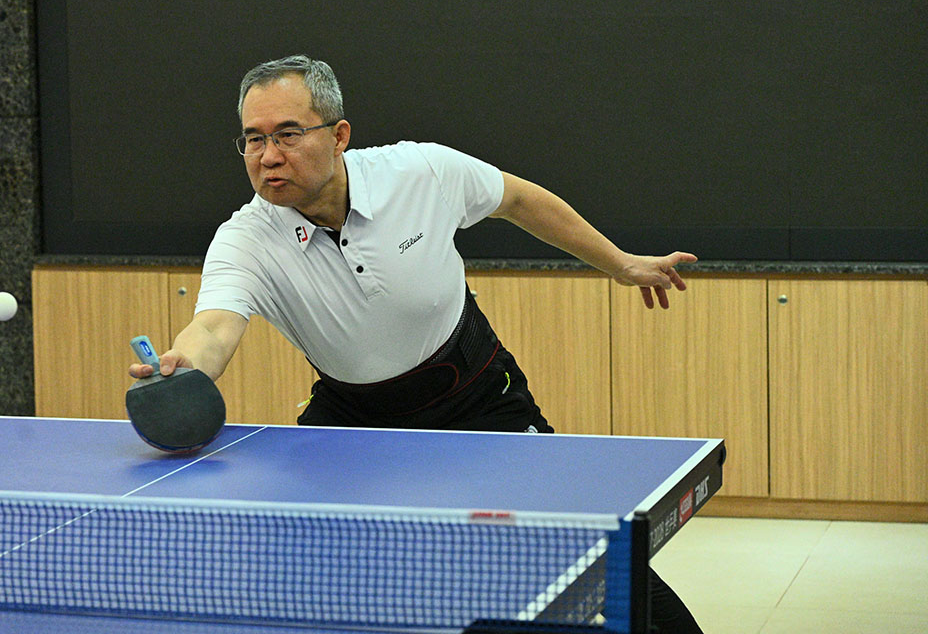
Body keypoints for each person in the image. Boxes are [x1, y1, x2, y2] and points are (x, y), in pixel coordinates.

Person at [129, 54, 702, 633]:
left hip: (476, 396)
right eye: (254, 139)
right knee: (316, 567)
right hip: (356, 419)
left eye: (288, 135)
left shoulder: (421, 172)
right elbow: (213, 326)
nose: (268, 156)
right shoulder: (245, 239)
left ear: (339, 136)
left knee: (583, 544)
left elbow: (519, 200)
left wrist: (621, 264)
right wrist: (185, 367)